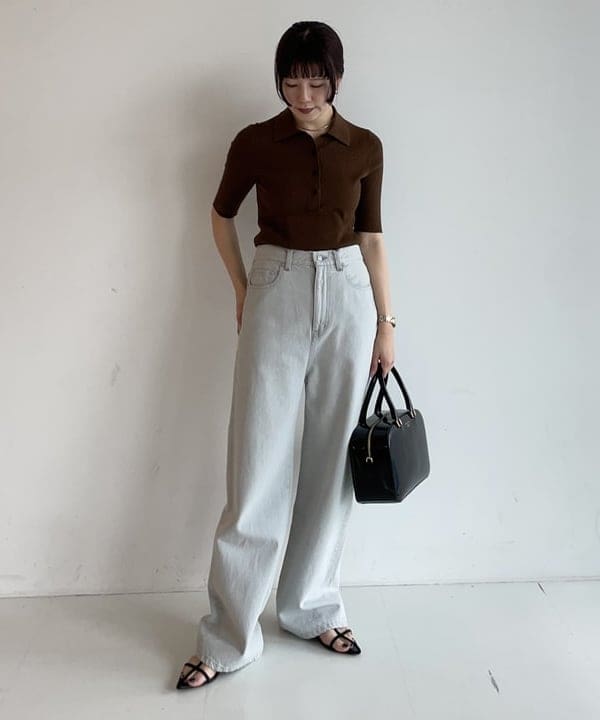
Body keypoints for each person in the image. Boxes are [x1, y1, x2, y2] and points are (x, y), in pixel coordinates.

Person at [177, 20, 395, 690]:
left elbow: (372, 237)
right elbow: (220, 214)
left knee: (333, 465)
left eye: (317, 81)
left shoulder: (365, 146)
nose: (303, 95)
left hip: (349, 297)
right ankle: (228, 637)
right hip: (277, 286)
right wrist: (245, 289)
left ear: (336, 79)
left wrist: (386, 324)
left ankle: (312, 608)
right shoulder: (254, 142)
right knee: (256, 464)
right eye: (292, 81)